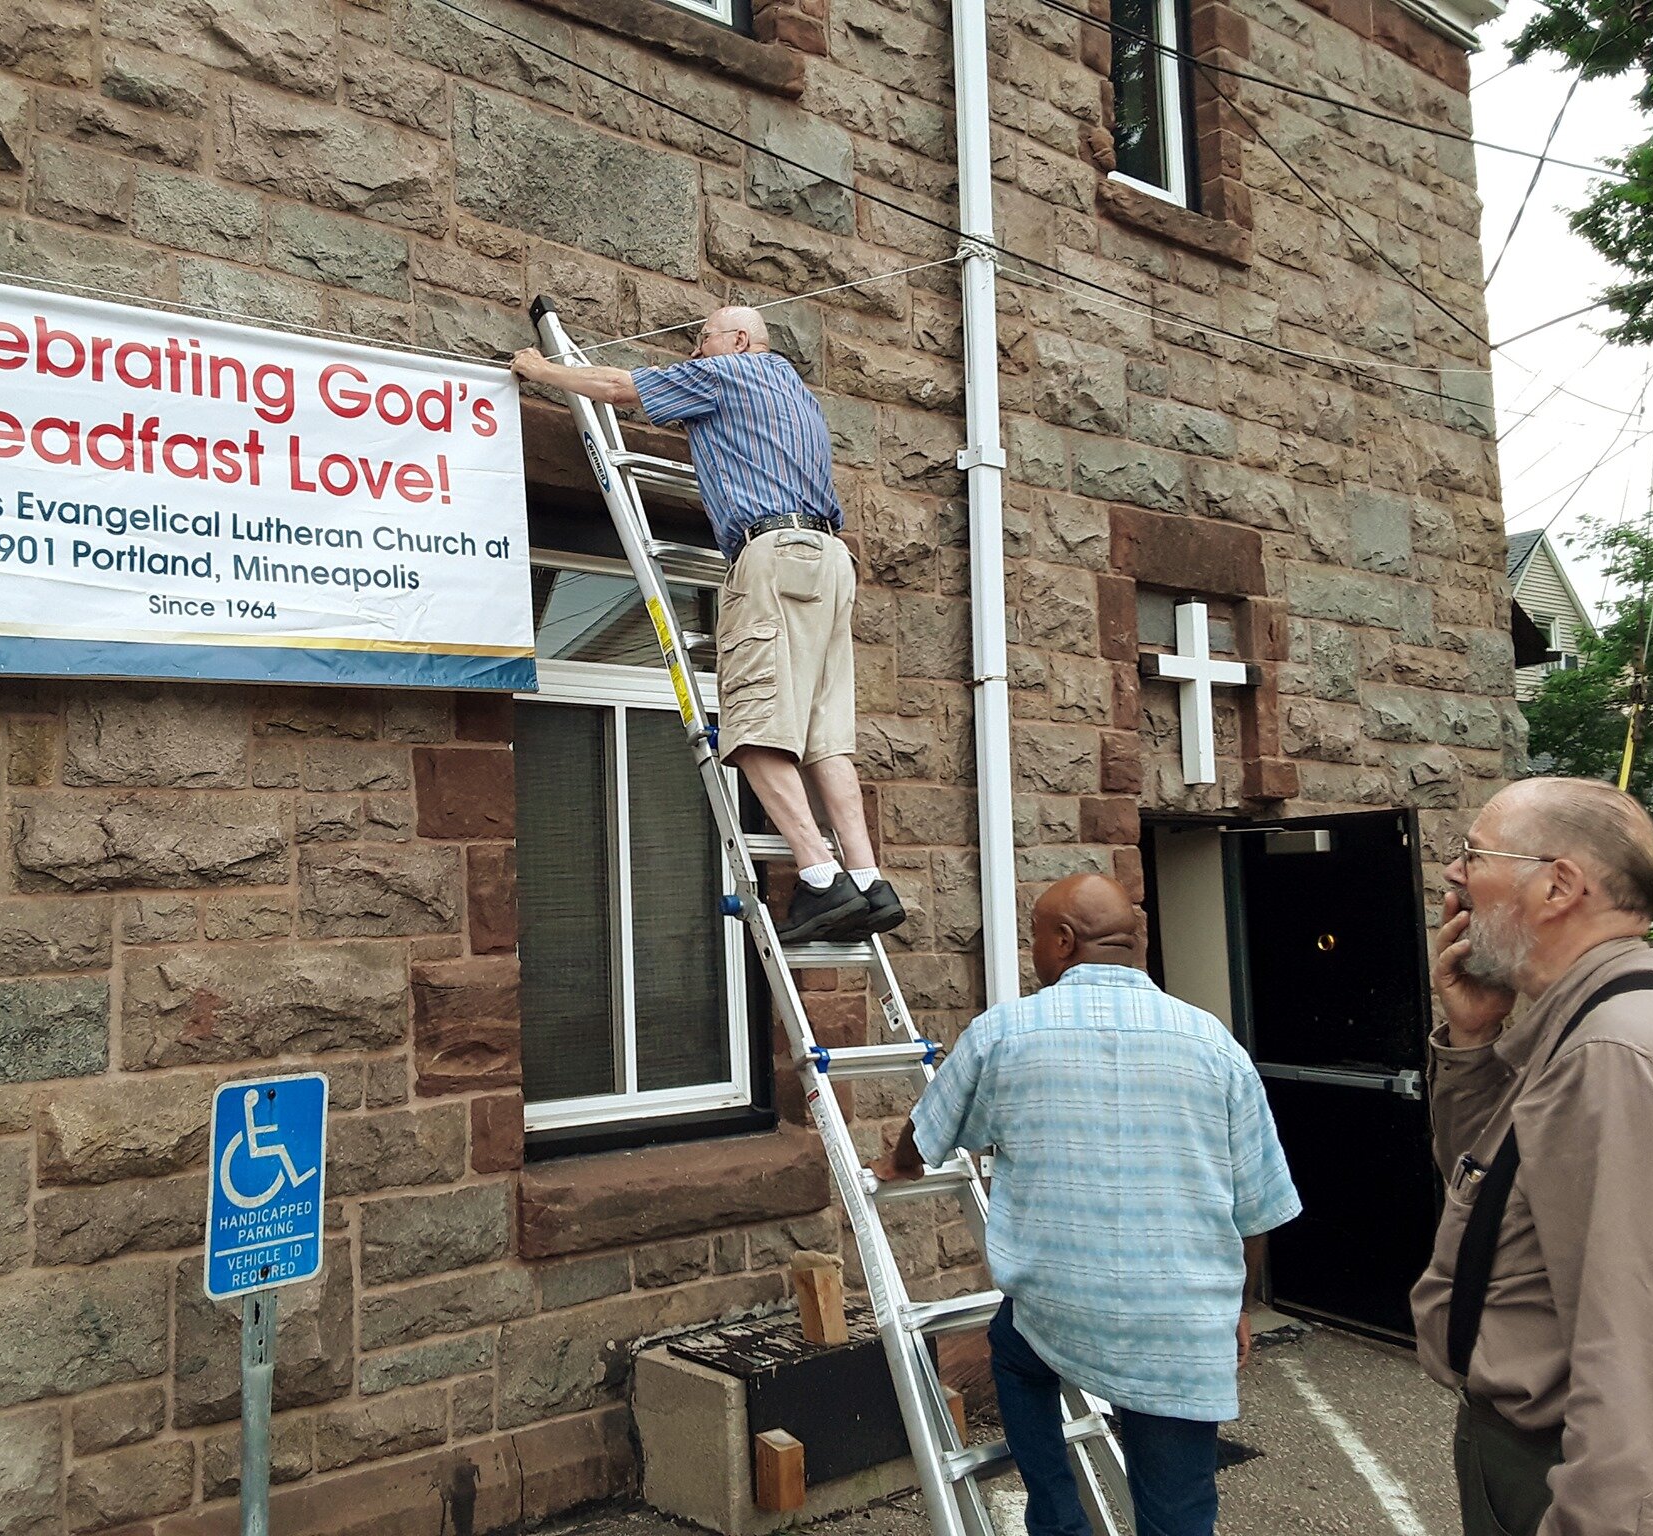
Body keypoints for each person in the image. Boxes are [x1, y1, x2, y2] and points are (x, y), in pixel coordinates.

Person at [869, 873, 1300, 1536]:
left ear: (1064, 942)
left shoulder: (1004, 1034)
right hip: (1178, 1330)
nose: (1034, 951)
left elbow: (928, 1131)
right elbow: (1258, 1208)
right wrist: (1235, 1311)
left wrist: (900, 1164)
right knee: (1178, 1510)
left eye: (1036, 937)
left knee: (1012, 1348)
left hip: (1057, 1310)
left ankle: (1057, 1514)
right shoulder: (1217, 1046)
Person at [508, 305, 900, 944]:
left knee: (752, 726)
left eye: (703, 339)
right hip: (831, 563)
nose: (695, 351)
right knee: (825, 734)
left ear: (738, 341)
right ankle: (868, 878)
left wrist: (539, 367)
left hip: (772, 559)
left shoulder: (728, 374)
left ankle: (821, 879)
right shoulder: (795, 391)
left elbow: (617, 389)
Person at [1410, 777, 1653, 1536]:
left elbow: (1638, 1350)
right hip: (1523, 1452)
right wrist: (1471, 1040)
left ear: (1558, 885)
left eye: (1473, 854)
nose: (1455, 876)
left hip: (1558, 1469)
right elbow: (1493, 1205)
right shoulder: (1584, 1024)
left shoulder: (1612, 1050)